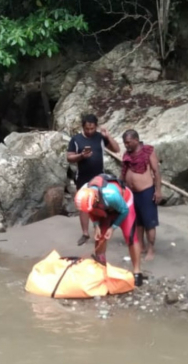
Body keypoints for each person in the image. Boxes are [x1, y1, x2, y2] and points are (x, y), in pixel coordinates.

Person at [74, 174, 144, 287]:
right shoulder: (84, 193)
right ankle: (101, 269)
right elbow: (90, 210)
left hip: (124, 203)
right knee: (100, 237)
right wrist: (96, 225)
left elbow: (124, 211)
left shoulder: (111, 195)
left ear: (95, 198)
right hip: (102, 207)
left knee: (130, 236)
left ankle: (137, 271)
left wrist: (113, 228)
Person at [67, 114, 120, 246]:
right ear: (83, 127)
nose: (90, 131)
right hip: (83, 177)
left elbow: (116, 149)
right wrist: (81, 156)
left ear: (96, 126)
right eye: (87, 129)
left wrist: (108, 136)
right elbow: (69, 157)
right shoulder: (76, 139)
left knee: (100, 203)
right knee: (83, 206)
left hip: (99, 177)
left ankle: (100, 229)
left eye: (92, 129)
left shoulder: (100, 137)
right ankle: (85, 233)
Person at [121, 130, 162, 261]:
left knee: (149, 223)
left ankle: (151, 249)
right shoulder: (126, 155)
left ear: (136, 140)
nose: (126, 145)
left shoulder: (148, 151)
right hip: (132, 193)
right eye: (125, 143)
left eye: (128, 142)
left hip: (146, 191)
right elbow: (124, 172)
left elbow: (156, 172)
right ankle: (142, 246)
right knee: (137, 222)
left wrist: (158, 191)